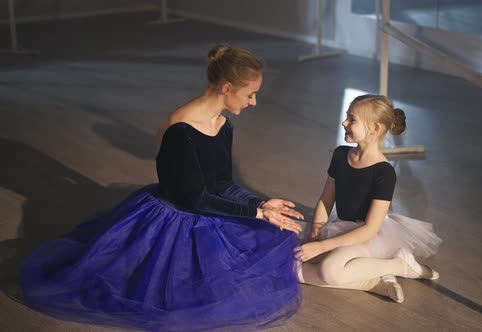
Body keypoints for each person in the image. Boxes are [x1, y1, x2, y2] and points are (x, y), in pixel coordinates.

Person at [21, 43, 304, 331]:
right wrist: (255, 214)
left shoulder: (223, 124)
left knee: (267, 238)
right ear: (226, 87)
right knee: (172, 295)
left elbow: (221, 183)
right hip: (175, 217)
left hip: (202, 206)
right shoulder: (180, 129)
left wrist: (259, 204)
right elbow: (194, 199)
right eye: (250, 95)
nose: (254, 102)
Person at [295, 94, 441, 303]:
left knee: (329, 270)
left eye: (352, 119)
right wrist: (316, 231)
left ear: (376, 128)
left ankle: (400, 265)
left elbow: (370, 229)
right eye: (347, 116)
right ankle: (375, 283)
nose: (344, 122)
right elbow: (326, 199)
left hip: (369, 236)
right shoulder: (340, 154)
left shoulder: (384, 172)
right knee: (292, 265)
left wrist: (321, 247)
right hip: (341, 228)